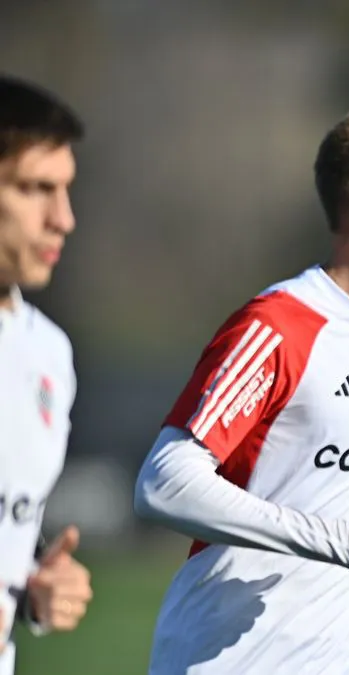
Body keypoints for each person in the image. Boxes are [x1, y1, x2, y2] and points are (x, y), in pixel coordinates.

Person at [132, 103, 349, 674]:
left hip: (345, 654)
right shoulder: (279, 327)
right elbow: (164, 483)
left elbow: (323, 495)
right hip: (231, 659)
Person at [0, 74, 95, 674]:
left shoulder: (48, 353)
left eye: (65, 190)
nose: (63, 218)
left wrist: (34, 582)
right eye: (36, 188)